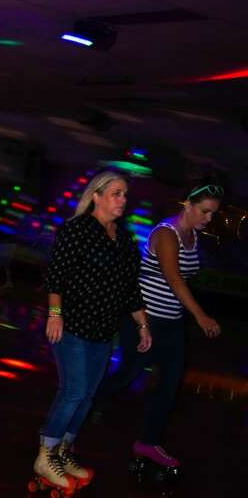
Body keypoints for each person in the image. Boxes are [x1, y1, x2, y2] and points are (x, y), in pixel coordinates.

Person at [91, 180, 223, 472]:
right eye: (204, 211)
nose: (208, 219)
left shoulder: (193, 236)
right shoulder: (166, 233)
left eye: (213, 214)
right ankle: (83, 407)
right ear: (187, 204)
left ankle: (147, 443)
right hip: (143, 320)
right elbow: (174, 278)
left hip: (172, 323)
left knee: (170, 383)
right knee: (128, 373)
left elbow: (182, 281)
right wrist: (201, 315)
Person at [35, 170, 151, 497]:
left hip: (103, 330)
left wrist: (143, 324)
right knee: (73, 391)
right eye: (116, 193)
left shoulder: (124, 239)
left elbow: (130, 289)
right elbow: (56, 276)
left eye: (125, 194)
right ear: (96, 196)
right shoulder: (77, 230)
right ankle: (45, 456)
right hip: (72, 325)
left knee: (87, 395)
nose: (122, 200)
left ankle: (62, 452)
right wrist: (54, 314)